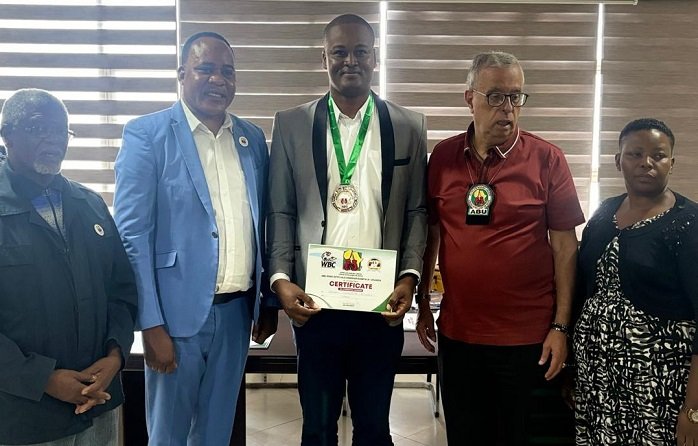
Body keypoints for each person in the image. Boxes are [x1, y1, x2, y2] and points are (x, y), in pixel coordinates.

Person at [266, 14, 427, 446]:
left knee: (374, 427)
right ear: (324, 58)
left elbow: (416, 211)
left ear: (375, 57)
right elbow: (280, 210)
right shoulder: (291, 124)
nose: (349, 60)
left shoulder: (409, 126)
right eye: (339, 52)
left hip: (381, 303)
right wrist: (281, 279)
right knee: (317, 427)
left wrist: (410, 278)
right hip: (315, 303)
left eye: (360, 51)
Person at [113, 32, 278, 445]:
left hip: (237, 314)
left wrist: (265, 303)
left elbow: (263, 223)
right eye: (206, 68)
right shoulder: (147, 135)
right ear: (182, 73)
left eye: (228, 71)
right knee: (168, 435)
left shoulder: (252, 139)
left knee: (215, 433)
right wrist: (150, 324)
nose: (218, 80)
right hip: (175, 319)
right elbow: (132, 235)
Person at [416, 51, 584, 445]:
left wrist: (561, 327)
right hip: (459, 336)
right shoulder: (443, 156)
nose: (507, 109)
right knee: (464, 435)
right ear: (469, 98)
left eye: (515, 97)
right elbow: (431, 236)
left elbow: (565, 248)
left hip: (526, 339)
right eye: (495, 97)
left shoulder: (547, 159)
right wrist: (423, 302)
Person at [0, 89, 137, 445]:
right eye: (38, 127)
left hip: (99, 402)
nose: (53, 139)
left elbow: (121, 291)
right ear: (7, 134)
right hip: (24, 411)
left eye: (61, 130)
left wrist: (115, 355)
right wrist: (42, 378)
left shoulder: (89, 204)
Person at [573, 118, 698, 445]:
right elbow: (583, 288)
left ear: (672, 162)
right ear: (618, 161)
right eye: (635, 154)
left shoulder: (689, 223)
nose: (646, 163)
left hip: (659, 388)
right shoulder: (603, 213)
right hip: (599, 381)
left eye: (658, 155)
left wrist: (694, 410)